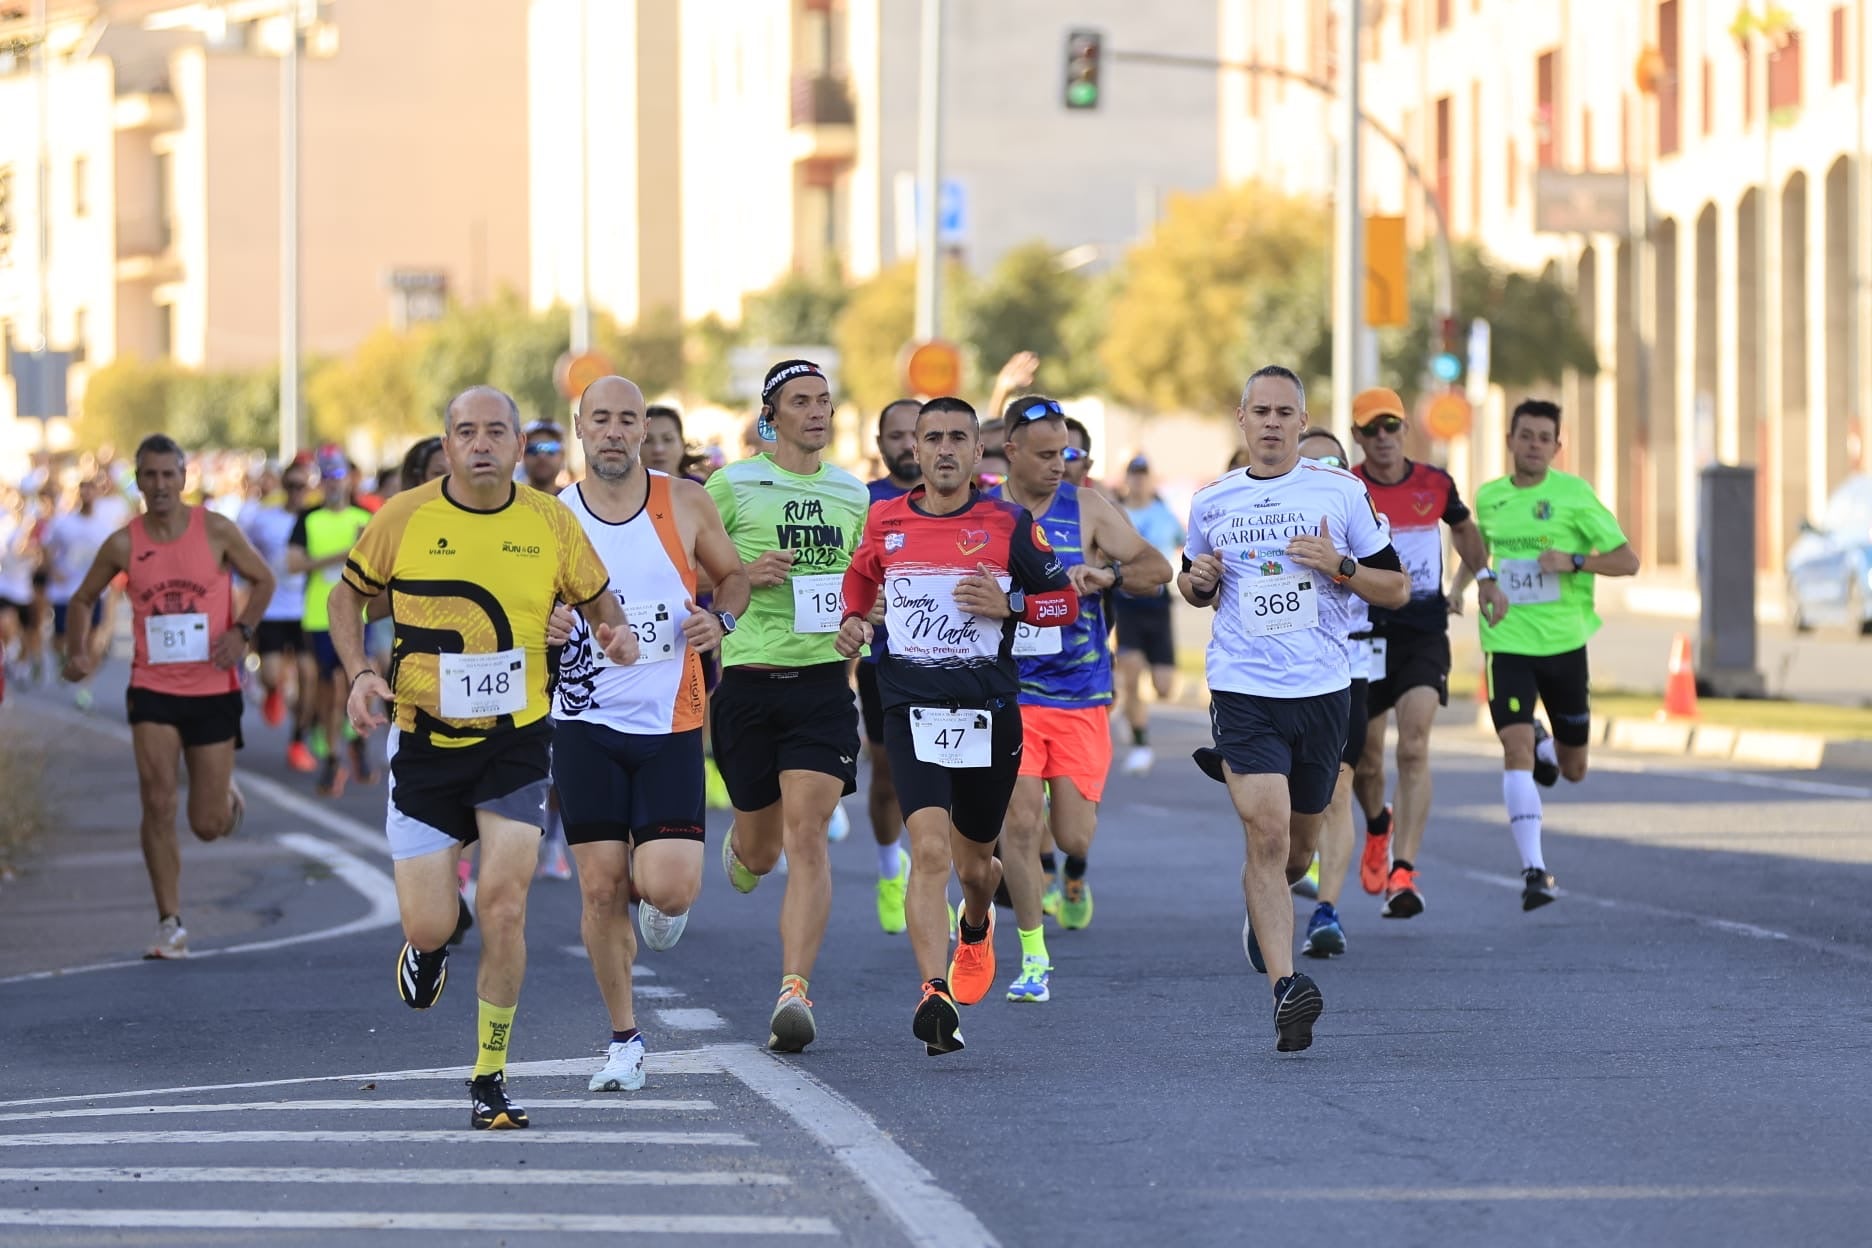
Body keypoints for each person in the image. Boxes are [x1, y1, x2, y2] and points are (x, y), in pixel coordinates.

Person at [333, 385, 638, 1132]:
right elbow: (346, 600)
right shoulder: (404, 518)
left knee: (505, 904)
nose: (481, 444)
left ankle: (490, 1075)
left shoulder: (549, 521)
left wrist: (616, 632)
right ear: (445, 444)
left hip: (516, 741)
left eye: (495, 431)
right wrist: (361, 674)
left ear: (516, 443)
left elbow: (601, 601)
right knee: (433, 925)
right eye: (465, 432)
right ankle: (428, 949)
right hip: (427, 745)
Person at [835, 396, 1078, 1054]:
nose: (944, 448)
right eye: (932, 437)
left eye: (958, 438)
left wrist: (1011, 602)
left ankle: (976, 926)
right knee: (932, 854)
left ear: (979, 453)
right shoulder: (885, 520)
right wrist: (854, 623)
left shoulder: (1007, 522)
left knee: (977, 868)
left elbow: (1063, 601)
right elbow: (859, 583)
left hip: (987, 713)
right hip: (908, 707)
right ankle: (933, 992)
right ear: (915, 448)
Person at [1178, 366, 1408, 1052]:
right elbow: (1192, 583)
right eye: (1261, 411)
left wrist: (1340, 567)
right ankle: (1287, 988)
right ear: (1241, 420)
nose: (1273, 423)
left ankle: (1265, 904)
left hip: (1323, 692)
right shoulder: (1211, 501)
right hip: (1244, 690)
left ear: (1303, 424)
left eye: (1286, 413)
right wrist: (1199, 581)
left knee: (1299, 848)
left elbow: (1394, 587)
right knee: (1268, 834)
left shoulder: (1340, 492)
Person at [547, 376, 750, 1093]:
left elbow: (733, 581)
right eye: (598, 419)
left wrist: (717, 621)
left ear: (644, 430)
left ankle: (660, 892)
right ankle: (625, 1040)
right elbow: (524, 611)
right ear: (579, 427)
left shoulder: (684, 501)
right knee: (600, 890)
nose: (612, 431)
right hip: (583, 722)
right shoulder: (551, 515)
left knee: (666, 889)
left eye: (626, 419)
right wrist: (550, 627)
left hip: (670, 718)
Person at [706, 359, 871, 1052]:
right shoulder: (730, 486)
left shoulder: (851, 493)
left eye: (825, 402)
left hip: (821, 688)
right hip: (747, 684)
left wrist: (860, 623)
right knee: (763, 847)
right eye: (801, 402)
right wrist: (741, 575)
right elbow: (694, 574)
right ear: (770, 416)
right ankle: (741, 847)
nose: (817, 413)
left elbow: (863, 586)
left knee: (808, 836)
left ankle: (794, 990)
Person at [60, 434, 276, 959]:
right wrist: (76, 652)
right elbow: (82, 597)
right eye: (149, 476)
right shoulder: (123, 543)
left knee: (206, 826)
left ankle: (223, 796)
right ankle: (170, 924)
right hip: (152, 688)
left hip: (213, 688)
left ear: (183, 478)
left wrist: (242, 632)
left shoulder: (216, 530)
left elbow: (263, 580)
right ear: (138, 481)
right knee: (156, 801)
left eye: (167, 475)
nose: (159, 485)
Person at [988, 396, 1171, 999]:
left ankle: (1071, 871)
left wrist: (1108, 576)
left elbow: (1156, 568)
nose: (1058, 465)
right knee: (1018, 823)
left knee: (1073, 836)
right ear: (1010, 451)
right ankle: (1033, 958)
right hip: (1009, 694)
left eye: (1065, 454)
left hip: (1080, 696)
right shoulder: (985, 510)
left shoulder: (1088, 507)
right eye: (1044, 455)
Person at [1470, 399, 1639, 910]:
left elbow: (1628, 561)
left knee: (1574, 768)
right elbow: (1479, 552)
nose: (1535, 445)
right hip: (1507, 641)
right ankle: (1535, 870)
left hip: (1565, 644)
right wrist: (1471, 584)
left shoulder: (1574, 496)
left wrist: (1575, 560)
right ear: (1510, 440)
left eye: (1545, 437)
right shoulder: (1490, 498)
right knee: (1514, 750)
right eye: (1526, 435)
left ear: (1557, 447)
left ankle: (1548, 745)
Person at [1347, 387, 1492, 920]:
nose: (1383, 437)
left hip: (1423, 629)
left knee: (1412, 746)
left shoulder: (1434, 482)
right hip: (1364, 632)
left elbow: (1466, 533)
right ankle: (1378, 826)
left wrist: (1477, 582)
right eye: (1372, 429)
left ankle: (1404, 871)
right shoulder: (1348, 487)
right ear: (1358, 437)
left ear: (1405, 429)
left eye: (1392, 426)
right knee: (1364, 759)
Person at [855, 398, 923, 934]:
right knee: (889, 778)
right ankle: (886, 869)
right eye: (895, 435)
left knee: (946, 779)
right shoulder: (864, 502)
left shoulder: (964, 502)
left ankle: (929, 877)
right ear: (880, 446)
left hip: (948, 661)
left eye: (914, 434)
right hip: (882, 661)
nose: (906, 444)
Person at [288, 449, 375, 796]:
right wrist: (344, 554)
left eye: (338, 476)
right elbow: (294, 564)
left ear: (348, 479)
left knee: (354, 681)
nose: (333, 483)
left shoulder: (364, 516)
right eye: (326, 477)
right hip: (318, 615)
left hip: (358, 613)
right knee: (330, 687)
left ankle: (354, 744)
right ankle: (333, 754)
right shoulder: (307, 519)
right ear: (319, 482)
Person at [1114, 455, 1187, 776]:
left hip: (1157, 604)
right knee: (1130, 672)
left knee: (1163, 687)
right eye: (1134, 474)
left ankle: (1131, 714)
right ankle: (1141, 744)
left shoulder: (1164, 514)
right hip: (1124, 602)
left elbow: (1185, 547)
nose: (1139, 481)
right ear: (1127, 478)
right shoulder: (1116, 512)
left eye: (1144, 475)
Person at [240, 466, 310, 734]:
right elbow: (244, 548)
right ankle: (273, 690)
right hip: (273, 607)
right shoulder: (265, 520)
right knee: (270, 673)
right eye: (290, 486)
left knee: (308, 675)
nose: (295, 492)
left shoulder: (314, 518)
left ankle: (299, 735)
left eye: (301, 487)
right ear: (283, 487)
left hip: (306, 609)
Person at [41, 474, 119, 705]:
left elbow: (113, 560)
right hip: (67, 592)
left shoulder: (104, 527)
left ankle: (85, 688)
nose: (87, 494)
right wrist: (54, 570)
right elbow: (46, 547)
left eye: (91, 489)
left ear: (97, 493)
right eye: (82, 489)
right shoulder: (63, 522)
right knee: (63, 639)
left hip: (94, 592)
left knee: (92, 642)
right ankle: (61, 660)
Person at [521, 419, 567, 493]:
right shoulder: (505, 500)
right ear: (522, 455)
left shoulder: (574, 501)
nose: (542, 456)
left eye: (551, 448)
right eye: (533, 448)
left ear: (562, 455)